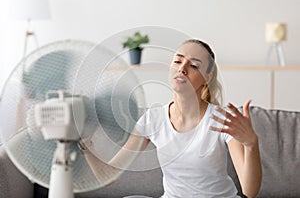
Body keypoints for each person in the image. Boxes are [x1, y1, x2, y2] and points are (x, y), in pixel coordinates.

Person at [79, 39, 262, 198]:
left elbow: (249, 190)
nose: (182, 69)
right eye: (177, 61)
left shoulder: (223, 119)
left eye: (194, 65)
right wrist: (84, 146)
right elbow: (110, 175)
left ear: (207, 77)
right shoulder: (153, 119)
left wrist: (251, 144)